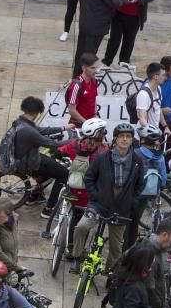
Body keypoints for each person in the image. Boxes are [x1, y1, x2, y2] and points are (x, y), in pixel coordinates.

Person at [71, 122, 146, 272]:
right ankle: (77, 257)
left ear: (132, 140)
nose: (125, 139)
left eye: (128, 137)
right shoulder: (103, 157)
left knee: (116, 246)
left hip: (121, 208)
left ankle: (111, 272)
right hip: (98, 204)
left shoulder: (137, 161)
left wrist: (132, 202)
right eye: (122, 136)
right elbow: (89, 178)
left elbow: (140, 185)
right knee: (81, 227)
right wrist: (95, 196)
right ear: (115, 139)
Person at [55, 117, 108, 257]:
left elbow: (58, 153)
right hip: (90, 194)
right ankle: (78, 250)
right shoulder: (102, 151)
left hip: (73, 190)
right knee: (86, 222)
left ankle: (70, 245)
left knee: (75, 216)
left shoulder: (76, 144)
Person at [10, 96, 70, 209]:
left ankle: (35, 195)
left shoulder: (20, 122)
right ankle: (49, 208)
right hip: (30, 163)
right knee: (64, 174)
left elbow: (42, 130)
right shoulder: (29, 131)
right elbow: (52, 144)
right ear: (37, 112)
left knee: (52, 163)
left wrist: (63, 128)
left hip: (23, 158)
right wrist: (73, 141)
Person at [73, 0, 135, 77]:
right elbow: (115, 2)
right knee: (89, 56)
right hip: (96, 27)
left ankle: (76, 76)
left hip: (85, 23)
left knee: (80, 53)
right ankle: (83, 80)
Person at [101, 0, 159, 68]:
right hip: (119, 13)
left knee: (129, 41)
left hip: (135, 16)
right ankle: (106, 63)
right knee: (114, 40)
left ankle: (124, 63)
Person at [134, 62, 169, 136]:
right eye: (163, 75)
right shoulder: (144, 94)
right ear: (155, 77)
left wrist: (165, 126)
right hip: (144, 137)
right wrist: (152, 135)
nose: (165, 78)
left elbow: (158, 110)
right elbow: (142, 120)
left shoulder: (158, 89)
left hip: (153, 134)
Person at [66, 52, 99, 127]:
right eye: (92, 68)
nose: (96, 71)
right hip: (77, 127)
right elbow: (71, 110)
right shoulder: (76, 86)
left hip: (90, 125)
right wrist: (86, 123)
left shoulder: (94, 81)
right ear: (84, 68)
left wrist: (95, 115)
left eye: (96, 67)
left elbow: (93, 99)